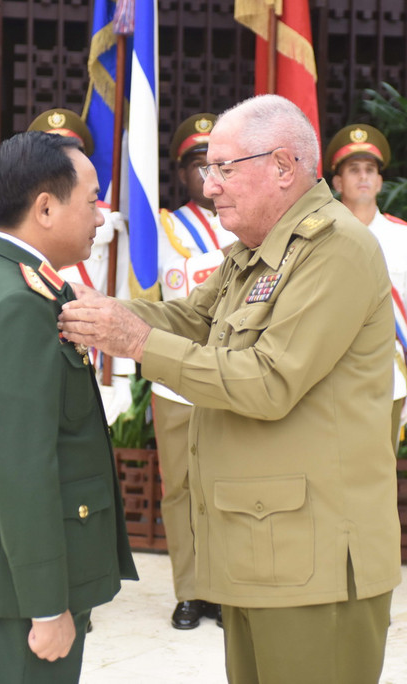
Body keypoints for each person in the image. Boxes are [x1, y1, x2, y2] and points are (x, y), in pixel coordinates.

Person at [58, 94, 402, 684]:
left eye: (224, 168)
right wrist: (107, 314)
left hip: (312, 558)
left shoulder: (335, 248)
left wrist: (136, 342)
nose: (208, 184)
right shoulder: (258, 251)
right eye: (207, 168)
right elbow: (192, 319)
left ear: (283, 166)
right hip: (264, 550)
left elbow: (270, 381)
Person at [0, 131, 138, 684]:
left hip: (16, 578)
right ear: (46, 208)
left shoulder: (14, 283)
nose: (101, 217)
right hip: (22, 589)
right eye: (93, 199)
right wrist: (47, 604)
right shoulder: (17, 304)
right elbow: (22, 466)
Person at [156, 113, 235, 630]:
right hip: (174, 373)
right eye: (196, 165)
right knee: (180, 486)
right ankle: (189, 589)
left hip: (230, 371)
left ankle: (225, 589)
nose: (206, 174)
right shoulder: (159, 226)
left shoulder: (249, 223)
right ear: (182, 173)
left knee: (226, 484)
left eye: (216, 165)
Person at [324, 124, 407, 452]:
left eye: (370, 170)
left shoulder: (405, 238)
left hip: (389, 377)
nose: (364, 177)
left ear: (381, 181)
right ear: (337, 182)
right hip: (328, 377)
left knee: (380, 483)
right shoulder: (319, 234)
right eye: (353, 170)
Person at [27, 108, 134, 426]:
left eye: (70, 154)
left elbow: (120, 296)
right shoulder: (17, 214)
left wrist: (122, 373)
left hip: (93, 362)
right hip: (35, 359)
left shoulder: (109, 219)